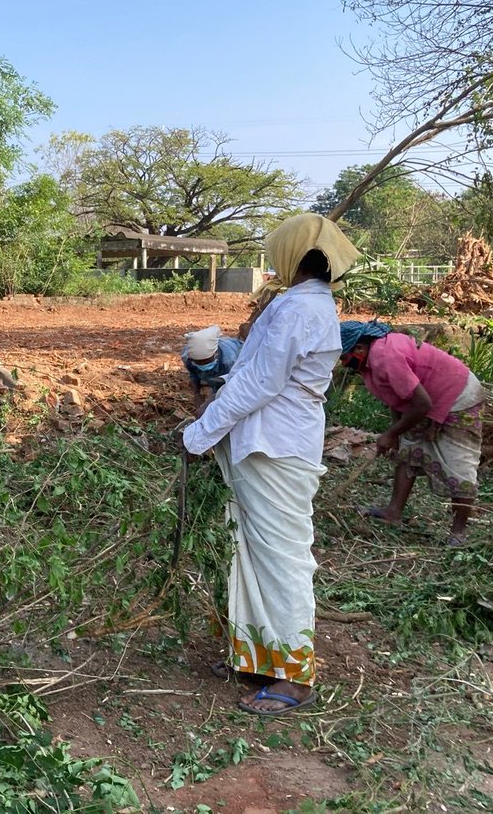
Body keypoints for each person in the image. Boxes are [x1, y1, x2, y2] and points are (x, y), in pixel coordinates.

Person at [182, 213, 359, 716]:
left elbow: (259, 384)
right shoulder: (300, 306)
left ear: (290, 257)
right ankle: (256, 656)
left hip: (276, 448)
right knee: (249, 553)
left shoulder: (298, 311)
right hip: (270, 444)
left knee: (280, 559)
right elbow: (250, 376)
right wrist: (212, 413)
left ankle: (294, 679)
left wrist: (199, 435)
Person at [339, 321, 485, 546]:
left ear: (359, 349)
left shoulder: (385, 357)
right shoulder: (374, 359)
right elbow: (397, 396)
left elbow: (421, 404)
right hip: (426, 399)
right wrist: (396, 431)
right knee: (409, 450)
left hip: (458, 397)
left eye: (345, 357)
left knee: (460, 462)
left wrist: (390, 433)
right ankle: (393, 512)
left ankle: (458, 532)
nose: (344, 363)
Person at [181, 325, 243, 407]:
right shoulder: (188, 356)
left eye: (206, 362)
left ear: (215, 354)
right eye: (199, 363)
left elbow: (231, 387)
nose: (203, 366)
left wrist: (208, 404)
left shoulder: (229, 361)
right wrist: (197, 395)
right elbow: (193, 374)